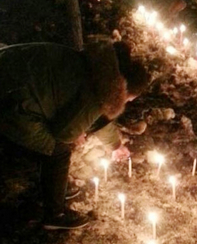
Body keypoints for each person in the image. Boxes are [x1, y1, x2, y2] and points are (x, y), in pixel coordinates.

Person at [0, 41, 150, 230]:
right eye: (129, 99)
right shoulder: (100, 93)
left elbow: (96, 115)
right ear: (124, 90)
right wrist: (76, 133)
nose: (127, 102)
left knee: (53, 143)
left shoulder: (99, 68)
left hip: (10, 69)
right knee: (58, 150)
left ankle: (55, 189)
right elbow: (63, 132)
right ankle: (54, 214)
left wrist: (114, 145)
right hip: (12, 101)